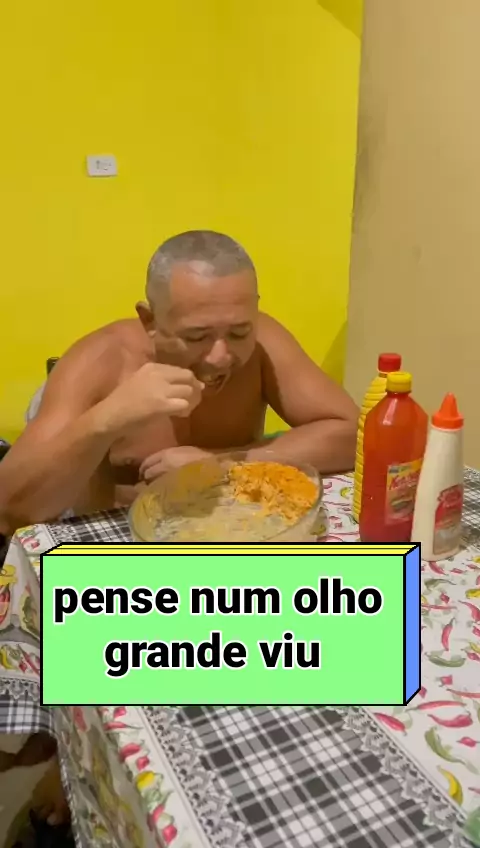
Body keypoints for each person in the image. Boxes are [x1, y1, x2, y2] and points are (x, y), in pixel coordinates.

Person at [0, 230, 357, 535]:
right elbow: (9, 508)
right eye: (197, 336)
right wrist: (107, 419)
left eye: (238, 332)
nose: (220, 356)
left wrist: (221, 466)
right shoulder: (100, 362)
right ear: (150, 321)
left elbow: (352, 434)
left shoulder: (266, 342)